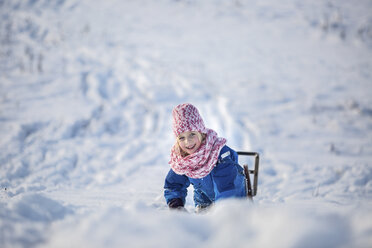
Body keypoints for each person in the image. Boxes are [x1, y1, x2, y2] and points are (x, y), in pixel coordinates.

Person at [164, 103, 247, 212]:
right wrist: (176, 204)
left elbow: (226, 185)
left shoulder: (218, 152)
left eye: (192, 134)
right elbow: (173, 184)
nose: (187, 142)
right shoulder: (183, 160)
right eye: (182, 138)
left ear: (201, 133)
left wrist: (221, 211)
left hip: (232, 199)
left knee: (226, 219)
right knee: (201, 223)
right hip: (205, 200)